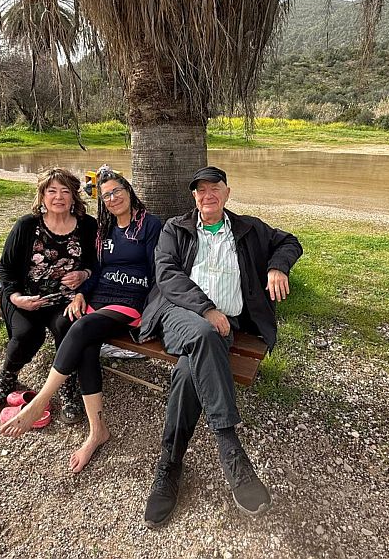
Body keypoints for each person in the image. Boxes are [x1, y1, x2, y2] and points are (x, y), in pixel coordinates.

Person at [139, 166, 302, 527]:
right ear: (194, 196)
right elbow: (167, 275)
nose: (207, 194)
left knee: (188, 372)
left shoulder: (248, 228)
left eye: (215, 188)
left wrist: (277, 267)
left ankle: (169, 464)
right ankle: (230, 449)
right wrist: (206, 309)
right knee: (203, 333)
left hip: (224, 326)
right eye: (201, 190)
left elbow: (290, 241)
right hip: (179, 315)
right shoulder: (176, 228)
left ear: (228, 192)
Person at [0, 170, 162, 473]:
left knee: (81, 327)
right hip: (100, 297)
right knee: (86, 345)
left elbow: (158, 272)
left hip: (131, 301)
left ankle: (40, 401)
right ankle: (97, 431)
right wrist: (82, 294)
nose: (113, 198)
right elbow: (96, 269)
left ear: (129, 191)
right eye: (106, 195)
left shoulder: (149, 225)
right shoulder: (105, 229)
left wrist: (153, 314)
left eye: (117, 191)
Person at [0, 168, 97, 423]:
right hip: (26, 298)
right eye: (52, 191)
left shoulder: (88, 225)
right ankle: (7, 376)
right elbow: (5, 269)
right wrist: (15, 297)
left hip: (65, 298)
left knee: (69, 327)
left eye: (65, 191)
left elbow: (95, 262)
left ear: (74, 196)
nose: (59, 197)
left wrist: (84, 274)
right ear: (42, 195)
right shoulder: (26, 225)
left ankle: (67, 385)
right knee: (27, 334)